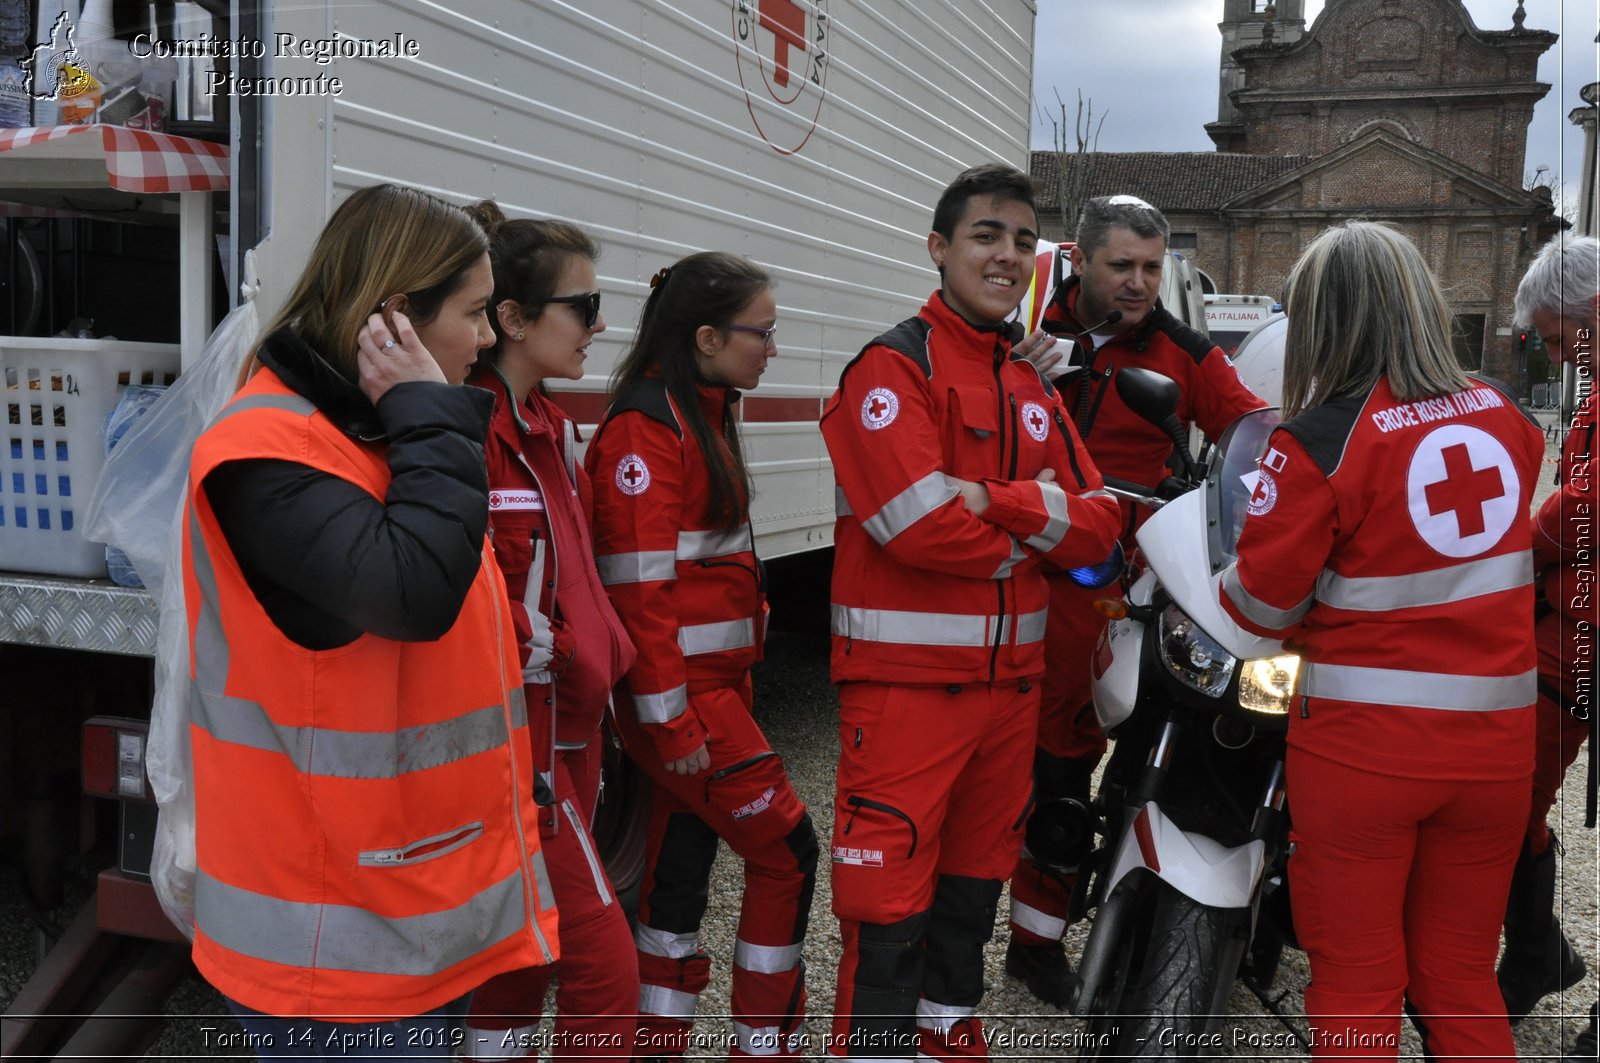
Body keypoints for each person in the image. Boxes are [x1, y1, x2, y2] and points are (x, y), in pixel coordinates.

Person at [181, 184, 559, 1059]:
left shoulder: (375, 439)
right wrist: (433, 418)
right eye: (472, 312)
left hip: (396, 925)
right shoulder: (269, 450)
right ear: (395, 319)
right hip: (334, 956)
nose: (490, 337)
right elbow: (412, 594)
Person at [1219, 220, 1545, 1060]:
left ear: (1323, 320)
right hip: (1497, 754)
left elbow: (1259, 606)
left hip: (1365, 758)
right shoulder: (1509, 418)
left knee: (1359, 980)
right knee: (1462, 975)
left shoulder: (1318, 440)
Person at [821, 163, 1123, 1060]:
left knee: (970, 894)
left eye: (1024, 242)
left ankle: (950, 1039)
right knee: (885, 911)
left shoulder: (1030, 383)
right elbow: (917, 526)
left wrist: (992, 501)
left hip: (1009, 699)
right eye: (987, 236)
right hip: (906, 695)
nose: (1007, 256)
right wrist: (1038, 529)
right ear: (940, 249)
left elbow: (1103, 529)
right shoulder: (890, 366)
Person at [1003, 194, 1266, 1004]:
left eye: (1153, 268)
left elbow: (1257, 435)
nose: (1140, 282)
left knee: (1075, 753)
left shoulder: (1184, 351)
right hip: (1010, 566)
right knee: (1004, 760)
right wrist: (1017, 368)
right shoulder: (1019, 329)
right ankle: (984, 922)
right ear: (1080, 261)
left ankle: (1037, 941)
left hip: (1113, 582)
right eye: (1122, 265)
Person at [584, 252, 818, 1061]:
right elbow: (638, 596)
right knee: (788, 851)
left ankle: (658, 1041)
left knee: (678, 868)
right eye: (766, 331)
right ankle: (764, 1044)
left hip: (715, 693)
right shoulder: (647, 432)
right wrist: (670, 719)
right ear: (710, 337)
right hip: (690, 703)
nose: (773, 348)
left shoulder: (701, 411)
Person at [457, 203, 639, 1061]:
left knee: (523, 953)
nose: (600, 325)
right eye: (584, 306)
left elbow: (580, 582)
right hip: (516, 745)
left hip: (571, 732)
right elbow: (481, 613)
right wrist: (570, 650)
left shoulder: (552, 428)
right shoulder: (473, 434)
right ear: (512, 320)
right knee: (604, 962)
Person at [1509, 233, 1598, 1056]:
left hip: (1582, 630)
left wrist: (1519, 540)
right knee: (1511, 792)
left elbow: (1587, 504)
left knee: (1512, 793)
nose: (1554, 351)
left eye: (1557, 334)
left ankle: (1535, 956)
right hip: (1570, 626)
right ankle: (1536, 953)